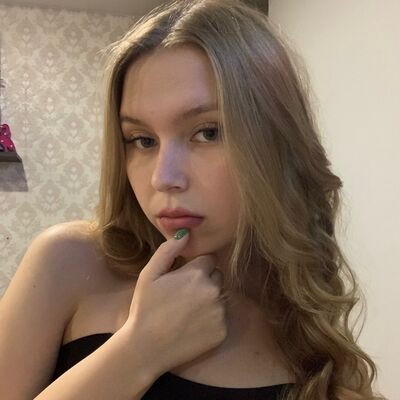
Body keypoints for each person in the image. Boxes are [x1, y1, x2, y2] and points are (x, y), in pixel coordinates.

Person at [0, 0, 387, 399]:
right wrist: (139, 350)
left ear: (278, 142)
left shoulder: (309, 335)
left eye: (208, 133)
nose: (163, 178)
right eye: (142, 140)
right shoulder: (69, 262)